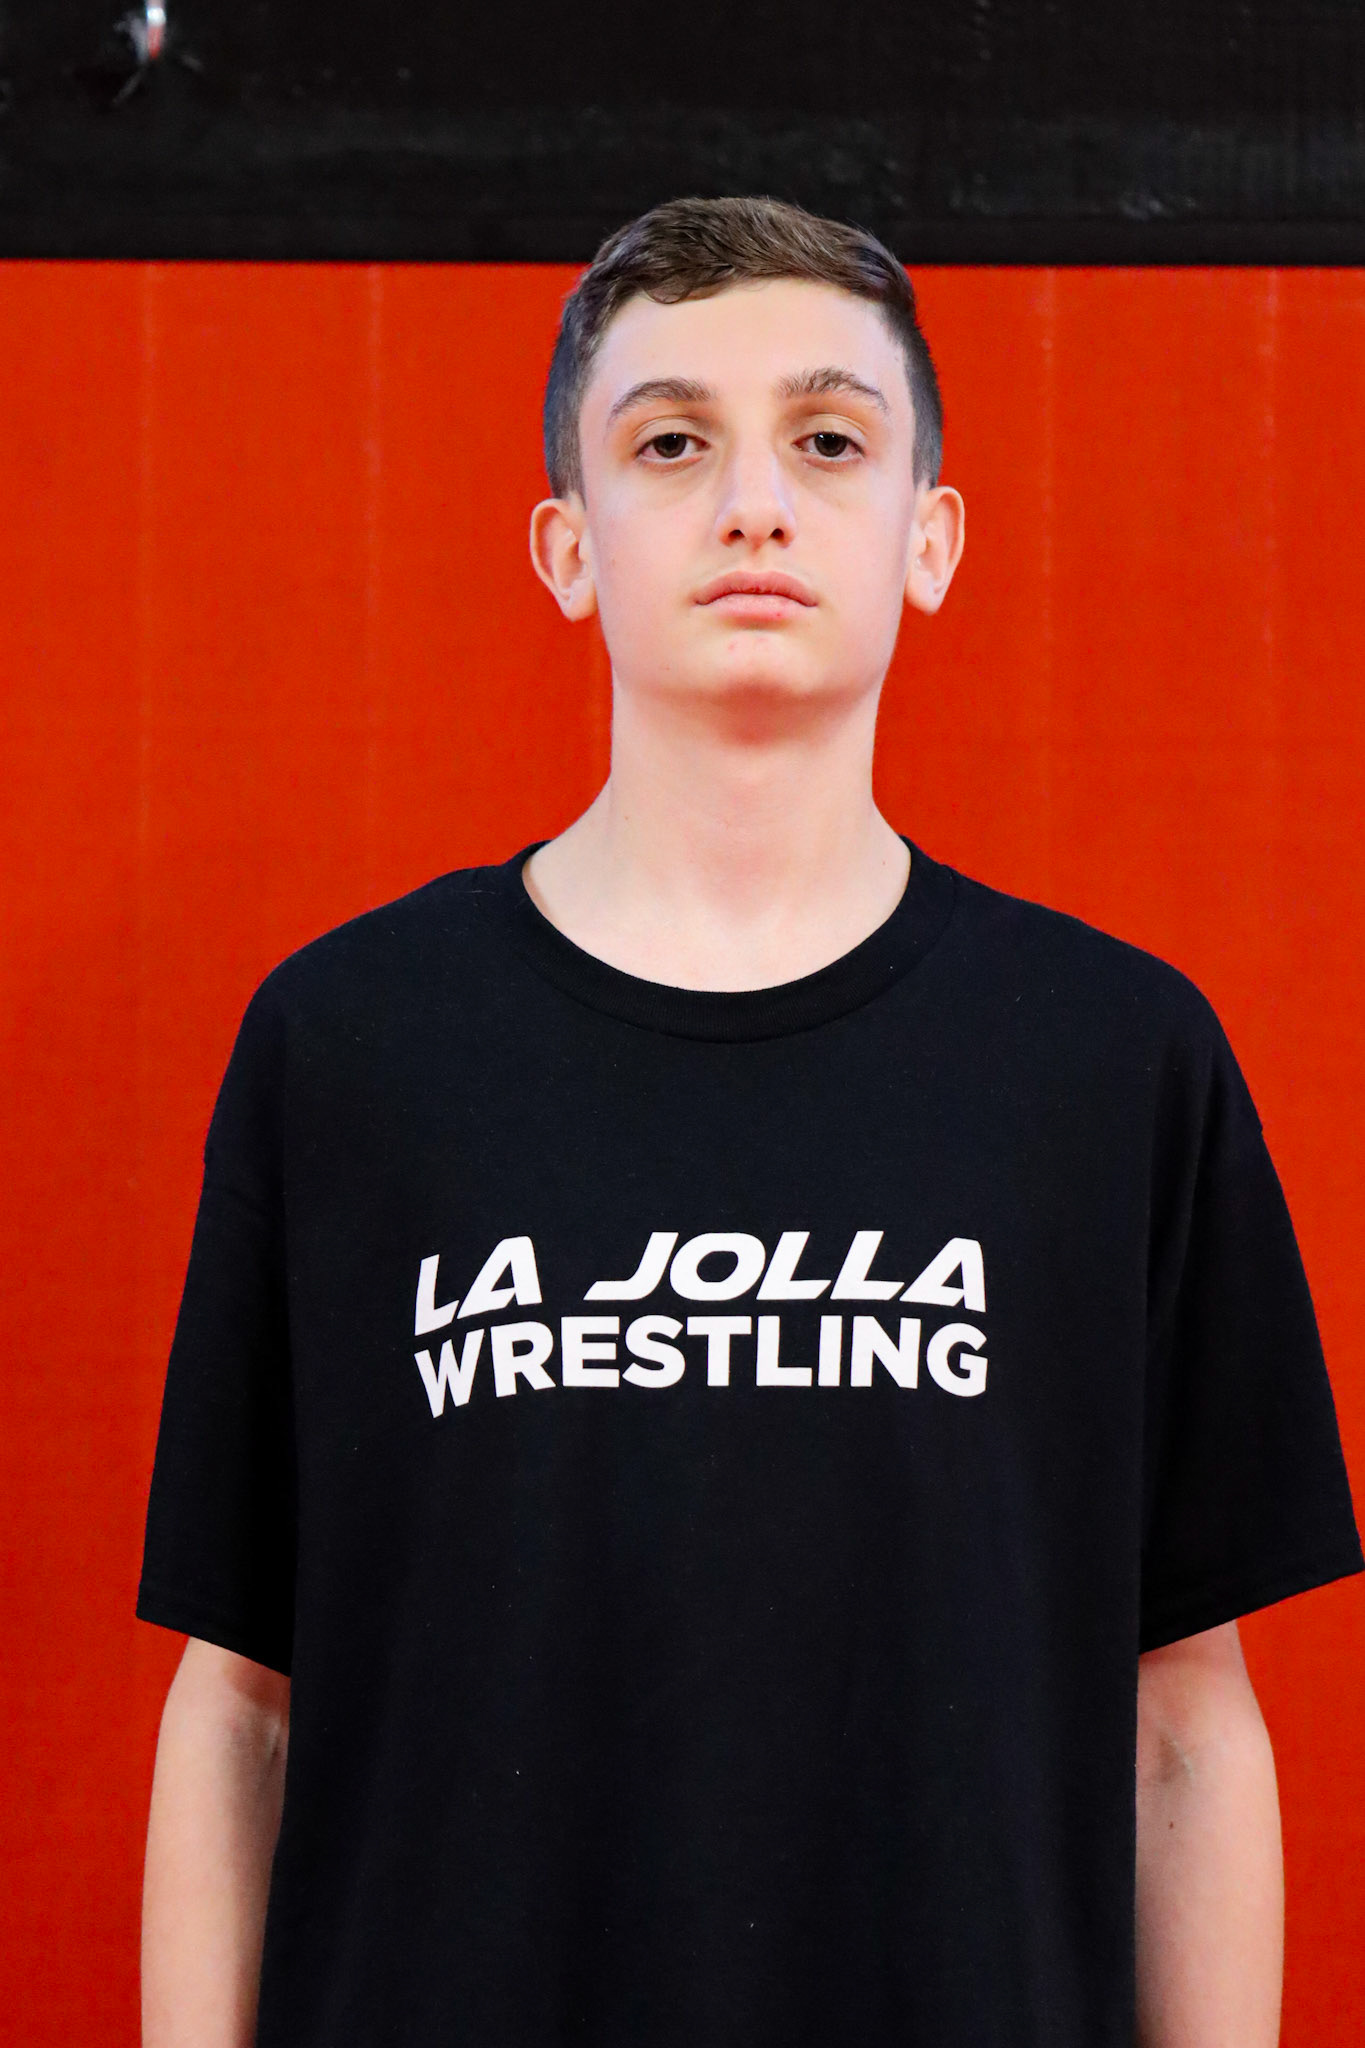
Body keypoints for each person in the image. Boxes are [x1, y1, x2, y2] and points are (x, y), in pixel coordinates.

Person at [137, 195, 1363, 2048]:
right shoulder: (351, 1047)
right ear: (567, 547)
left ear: (928, 539)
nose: (753, 504)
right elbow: (240, 1705)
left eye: (827, 440)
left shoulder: (1114, 1063)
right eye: (669, 444)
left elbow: (1183, 1725)